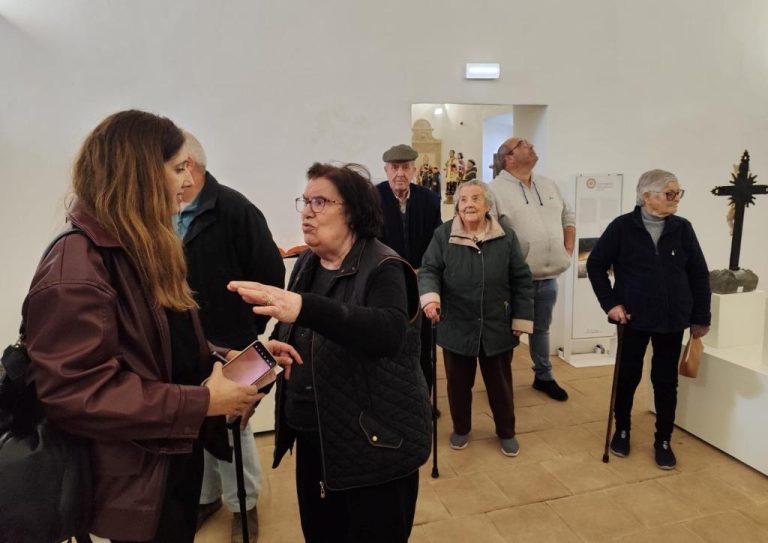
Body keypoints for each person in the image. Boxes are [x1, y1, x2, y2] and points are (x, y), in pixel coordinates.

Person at [22, 110, 298, 542]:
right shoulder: (77, 267)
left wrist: (230, 359)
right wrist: (203, 401)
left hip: (166, 458)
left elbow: (156, 344)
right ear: (143, 174)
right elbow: (78, 394)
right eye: (177, 169)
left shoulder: (136, 247)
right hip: (136, 476)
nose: (185, 182)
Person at [228, 163, 432, 542]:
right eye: (305, 201)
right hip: (317, 440)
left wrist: (304, 307)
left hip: (374, 447)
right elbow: (289, 341)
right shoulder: (308, 262)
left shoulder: (385, 266)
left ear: (352, 211)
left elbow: (387, 333)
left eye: (320, 202)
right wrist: (246, 385)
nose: (307, 212)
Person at [175, 132, 285, 543]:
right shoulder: (163, 209)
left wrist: (250, 335)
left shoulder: (235, 209)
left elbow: (270, 275)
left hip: (233, 340)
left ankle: (244, 503)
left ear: (189, 166)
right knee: (198, 419)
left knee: (232, 423)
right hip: (186, 342)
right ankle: (207, 497)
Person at [587, 169, 711, 469]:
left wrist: (701, 316)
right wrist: (611, 304)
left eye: (678, 193)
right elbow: (595, 265)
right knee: (627, 377)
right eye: (670, 193)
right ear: (647, 196)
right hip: (632, 318)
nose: (676, 199)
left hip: (672, 319)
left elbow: (698, 274)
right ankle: (622, 429)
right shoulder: (622, 227)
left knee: (666, 381)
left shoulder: (682, 228)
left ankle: (663, 439)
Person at [419, 180, 534, 456]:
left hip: (497, 324)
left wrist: (521, 317)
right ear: (457, 206)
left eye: (475, 199)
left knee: (500, 385)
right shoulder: (443, 234)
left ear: (487, 205)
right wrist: (431, 298)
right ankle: (461, 428)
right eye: (463, 200)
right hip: (456, 323)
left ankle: (506, 431)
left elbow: (521, 279)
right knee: (458, 385)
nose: (469, 204)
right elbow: (430, 269)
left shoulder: (505, 236)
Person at [488, 137, 575, 401]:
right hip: (513, 280)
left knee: (542, 328)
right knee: (506, 333)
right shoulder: (494, 190)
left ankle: (544, 376)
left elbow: (568, 215)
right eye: (523, 145)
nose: (531, 146)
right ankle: (500, 383)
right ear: (508, 157)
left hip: (549, 276)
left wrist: (568, 247)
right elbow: (490, 230)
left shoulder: (548, 184)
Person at [376, 144, 442, 390]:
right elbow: (369, 241)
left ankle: (424, 398)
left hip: (421, 282)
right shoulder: (373, 198)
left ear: (414, 169)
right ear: (386, 170)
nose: (400, 173)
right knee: (389, 342)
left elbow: (437, 242)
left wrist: (424, 270)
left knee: (423, 345)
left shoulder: (429, 199)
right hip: (387, 283)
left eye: (405, 167)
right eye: (395, 167)